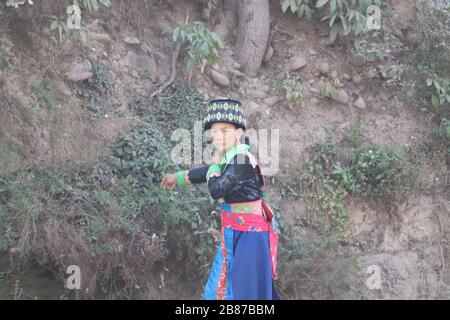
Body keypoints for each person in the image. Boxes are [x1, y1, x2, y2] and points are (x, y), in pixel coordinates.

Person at [160, 99, 281, 300]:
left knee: (244, 292)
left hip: (249, 237)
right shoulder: (230, 159)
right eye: (214, 132)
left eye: (224, 131)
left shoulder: (241, 160)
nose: (218, 137)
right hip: (235, 232)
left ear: (238, 133)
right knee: (223, 288)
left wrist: (215, 165)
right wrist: (178, 178)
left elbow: (216, 188)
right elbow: (208, 172)